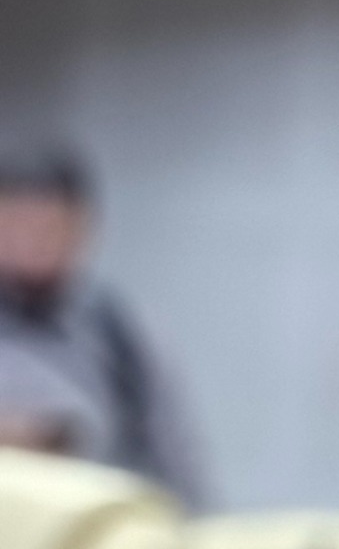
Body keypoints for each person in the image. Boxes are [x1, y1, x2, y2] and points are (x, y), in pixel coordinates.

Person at [0, 138, 212, 505]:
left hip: (92, 526)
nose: (34, 240)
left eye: (50, 226)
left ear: (83, 227)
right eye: (19, 223)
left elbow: (178, 463)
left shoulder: (120, 333)